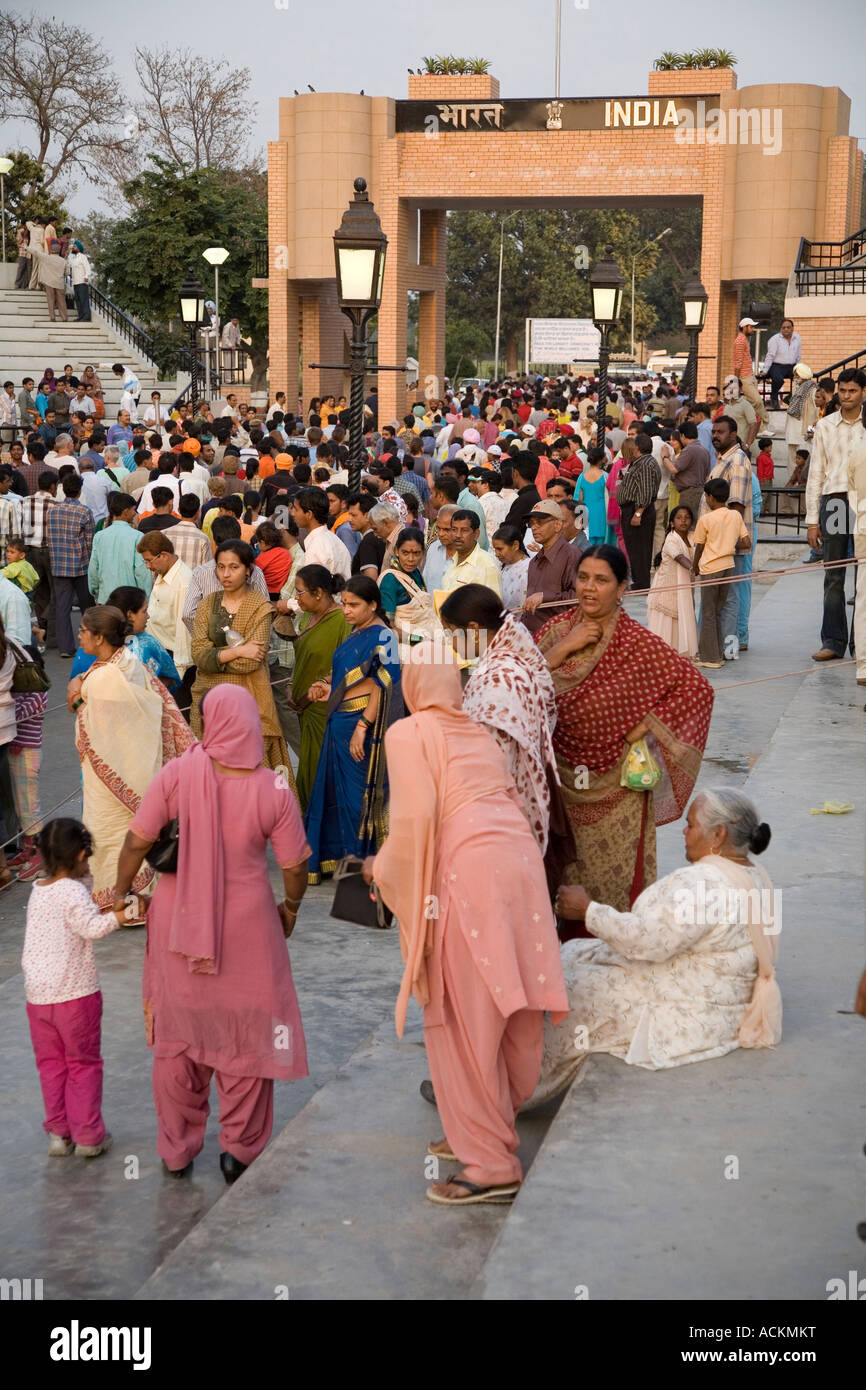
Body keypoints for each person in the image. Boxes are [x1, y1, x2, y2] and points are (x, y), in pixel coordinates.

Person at [365, 650, 568, 1206]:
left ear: (412, 684)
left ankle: (491, 1164)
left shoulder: (409, 732)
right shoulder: (477, 731)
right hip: (518, 866)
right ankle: (480, 1129)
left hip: (468, 874)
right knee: (508, 1004)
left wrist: (381, 869)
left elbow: (412, 820)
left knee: (461, 1015)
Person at [113, 686, 310, 1181]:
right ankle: (238, 1150)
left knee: (179, 1039)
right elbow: (295, 865)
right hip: (250, 929)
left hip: (179, 927)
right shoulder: (275, 788)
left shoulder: (177, 775)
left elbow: (137, 841)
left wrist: (119, 891)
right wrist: (290, 908)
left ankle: (176, 1151)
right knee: (246, 1037)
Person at [531, 788, 780, 1103]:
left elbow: (650, 941)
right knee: (572, 953)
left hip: (692, 1012)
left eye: (690, 825)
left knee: (569, 993)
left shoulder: (706, 884)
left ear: (717, 835)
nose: (684, 831)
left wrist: (587, 910)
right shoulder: (756, 874)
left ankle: (513, 1089)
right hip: (720, 1001)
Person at [535, 545, 713, 925]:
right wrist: (566, 647)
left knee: (612, 892)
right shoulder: (554, 632)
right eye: (583, 578)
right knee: (557, 891)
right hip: (559, 788)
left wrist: (648, 724)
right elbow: (520, 682)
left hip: (618, 793)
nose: (589, 588)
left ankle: (616, 953)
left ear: (621, 588)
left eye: (601, 580)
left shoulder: (637, 644)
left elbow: (696, 688)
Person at [22, 819, 133, 1160]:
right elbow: (91, 927)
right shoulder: (73, 892)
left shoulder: (39, 890)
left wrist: (81, 874)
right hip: (75, 996)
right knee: (83, 1064)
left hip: (38, 998)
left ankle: (59, 1134)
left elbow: (79, 897)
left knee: (51, 1065)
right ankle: (88, 1136)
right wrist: (122, 916)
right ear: (82, 854)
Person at [71, 605, 194, 908]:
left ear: (99, 638)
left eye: (84, 631)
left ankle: (122, 900)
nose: (79, 635)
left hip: (112, 776)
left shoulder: (103, 678)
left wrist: (76, 696)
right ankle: (139, 898)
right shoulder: (129, 663)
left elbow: (92, 721)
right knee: (130, 832)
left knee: (110, 831)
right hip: (138, 767)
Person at [440, 584, 558, 853]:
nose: (450, 642)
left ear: (472, 629)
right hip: (512, 809)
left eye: (451, 633)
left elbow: (490, 763)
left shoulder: (497, 681)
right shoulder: (517, 654)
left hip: (495, 817)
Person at [304, 575, 403, 883]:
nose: (346, 610)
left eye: (354, 605)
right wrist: (323, 687)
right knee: (337, 796)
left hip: (362, 726)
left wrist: (363, 725)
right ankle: (345, 858)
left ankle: (371, 863)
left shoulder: (384, 636)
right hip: (339, 723)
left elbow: (382, 683)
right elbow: (344, 675)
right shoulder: (356, 633)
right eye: (344, 604)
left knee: (362, 797)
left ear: (373, 604)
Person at [190, 539, 291, 778]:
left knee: (248, 771)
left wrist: (215, 659)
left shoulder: (260, 607)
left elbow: (250, 662)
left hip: (247, 700)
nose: (226, 574)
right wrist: (236, 651)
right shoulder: (207, 604)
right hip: (206, 699)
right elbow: (198, 653)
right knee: (208, 770)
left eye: (234, 567)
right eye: (221, 567)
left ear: (249, 570)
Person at [806, 367, 866, 662]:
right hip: (835, 503)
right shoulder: (826, 426)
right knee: (834, 574)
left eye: (852, 391)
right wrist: (812, 520)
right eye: (842, 391)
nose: (846, 396)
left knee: (864, 577)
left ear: (863, 393)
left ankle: (861, 645)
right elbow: (815, 473)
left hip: (864, 503)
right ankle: (833, 641)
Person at [287, 565, 351, 810]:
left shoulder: (341, 620)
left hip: (324, 709)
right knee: (308, 770)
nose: (296, 598)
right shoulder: (307, 616)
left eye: (300, 592)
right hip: (304, 710)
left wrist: (322, 684)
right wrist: (293, 686)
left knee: (321, 775)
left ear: (319, 593)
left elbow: (347, 664)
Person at [703, 414, 755, 657]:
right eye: (714, 432)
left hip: (728, 545)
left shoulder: (737, 461)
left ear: (733, 434)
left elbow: (736, 507)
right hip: (718, 544)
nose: (715, 436)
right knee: (722, 596)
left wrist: (723, 542)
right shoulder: (723, 459)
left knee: (730, 597)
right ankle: (718, 644)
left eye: (720, 432)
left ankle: (729, 648)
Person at [45, 473, 95, 657]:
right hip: (80, 565)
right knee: (87, 608)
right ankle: (90, 643)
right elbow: (89, 543)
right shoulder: (84, 512)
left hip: (58, 564)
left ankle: (65, 647)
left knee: (62, 608)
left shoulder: (52, 510)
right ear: (79, 491)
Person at [137, 533, 193, 680]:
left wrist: (178, 674)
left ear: (164, 555)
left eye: (149, 561)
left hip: (174, 659)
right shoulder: (163, 572)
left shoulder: (183, 583)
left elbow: (183, 630)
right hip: (158, 652)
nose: (148, 566)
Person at [522, 498, 581, 634]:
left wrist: (546, 596)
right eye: (531, 523)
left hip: (558, 638)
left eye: (540, 522)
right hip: (533, 636)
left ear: (557, 525)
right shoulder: (534, 561)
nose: (534, 528)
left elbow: (581, 596)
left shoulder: (571, 555)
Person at [647, 505, 698, 659]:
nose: (683, 521)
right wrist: (695, 568)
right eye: (679, 518)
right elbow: (681, 558)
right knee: (666, 622)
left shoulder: (691, 537)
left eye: (687, 517)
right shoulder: (671, 540)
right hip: (666, 590)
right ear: (671, 523)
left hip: (682, 589)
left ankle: (678, 654)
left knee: (679, 619)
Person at [615, 433, 660, 591]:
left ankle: (641, 582)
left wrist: (638, 512)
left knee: (640, 548)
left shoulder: (645, 464)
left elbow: (646, 491)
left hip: (638, 511)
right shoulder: (641, 462)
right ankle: (639, 580)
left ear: (638, 447)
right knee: (635, 547)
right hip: (632, 510)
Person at [441, 510, 502, 598]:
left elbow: (494, 607)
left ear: (476, 534)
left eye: (464, 530)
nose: (458, 535)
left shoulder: (488, 564)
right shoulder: (453, 560)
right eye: (454, 530)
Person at [378, 527, 430, 628]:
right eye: (405, 553)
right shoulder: (390, 579)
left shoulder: (416, 573)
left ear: (423, 553)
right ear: (396, 551)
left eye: (416, 553)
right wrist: (418, 639)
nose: (411, 559)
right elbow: (389, 625)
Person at [761, 317, 801, 410]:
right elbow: (770, 355)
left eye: (788, 327)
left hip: (791, 366)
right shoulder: (774, 339)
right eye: (783, 328)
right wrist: (764, 370)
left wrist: (799, 368)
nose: (786, 329)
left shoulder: (797, 338)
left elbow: (798, 355)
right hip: (777, 366)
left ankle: (790, 398)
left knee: (803, 379)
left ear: (792, 328)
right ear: (780, 329)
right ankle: (774, 398)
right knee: (778, 379)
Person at [574, 446, 610, 544]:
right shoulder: (605, 476)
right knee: (601, 543)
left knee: (587, 541)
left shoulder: (581, 477)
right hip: (602, 511)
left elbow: (578, 499)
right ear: (602, 459)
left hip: (586, 512)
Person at [492, 524, 530, 613]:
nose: (496, 554)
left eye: (500, 549)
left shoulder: (529, 567)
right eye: (495, 549)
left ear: (515, 545)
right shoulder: (503, 566)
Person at [67, 243, 91, 321]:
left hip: (82, 282)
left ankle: (86, 316)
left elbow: (88, 268)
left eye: (75, 246)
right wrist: (68, 253)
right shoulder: (73, 258)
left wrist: (86, 276)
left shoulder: (83, 257)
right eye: (73, 246)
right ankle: (81, 316)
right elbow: (69, 264)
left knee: (83, 300)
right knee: (78, 301)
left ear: (79, 248)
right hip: (75, 282)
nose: (73, 248)